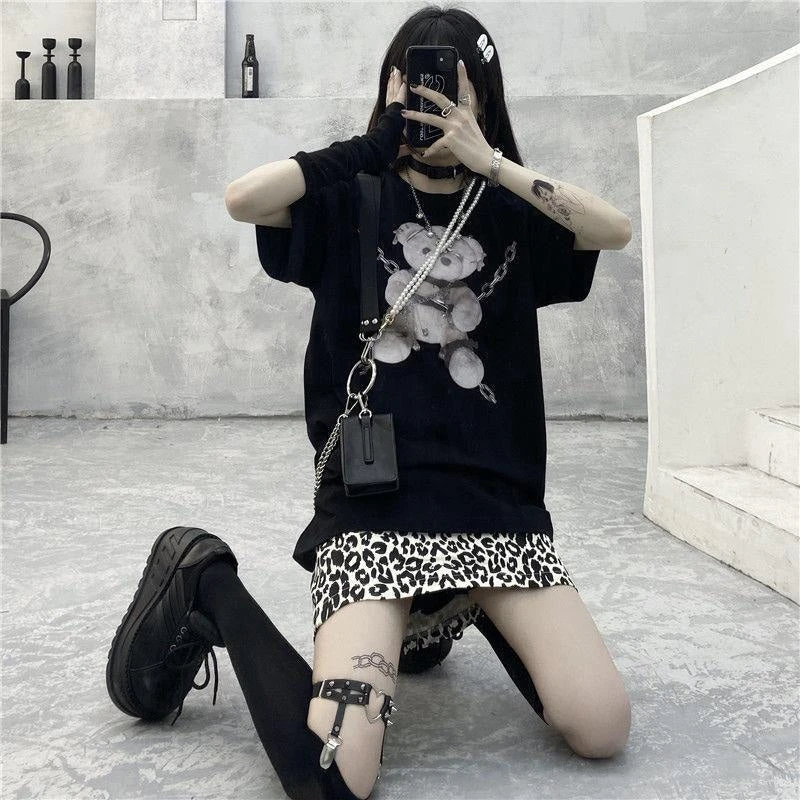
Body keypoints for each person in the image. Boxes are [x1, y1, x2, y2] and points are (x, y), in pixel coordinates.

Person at [106, 7, 633, 800]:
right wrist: (375, 142)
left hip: (496, 511)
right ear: (390, 86)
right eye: (414, 82)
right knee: (336, 775)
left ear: (484, 98)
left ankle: (446, 606)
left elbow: (613, 229)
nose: (430, 100)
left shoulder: (510, 208)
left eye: (451, 87)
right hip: (375, 509)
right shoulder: (350, 194)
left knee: (602, 725)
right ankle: (204, 579)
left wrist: (493, 163)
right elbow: (243, 198)